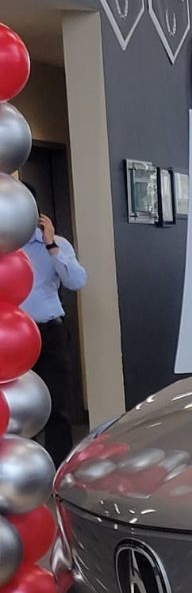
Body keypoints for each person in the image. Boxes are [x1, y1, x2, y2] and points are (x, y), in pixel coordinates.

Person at [20, 184, 87, 463]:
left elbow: (77, 281)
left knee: (57, 406)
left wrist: (51, 246)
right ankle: (22, 469)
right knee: (19, 407)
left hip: (49, 333)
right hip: (11, 339)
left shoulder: (54, 243)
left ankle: (59, 469)